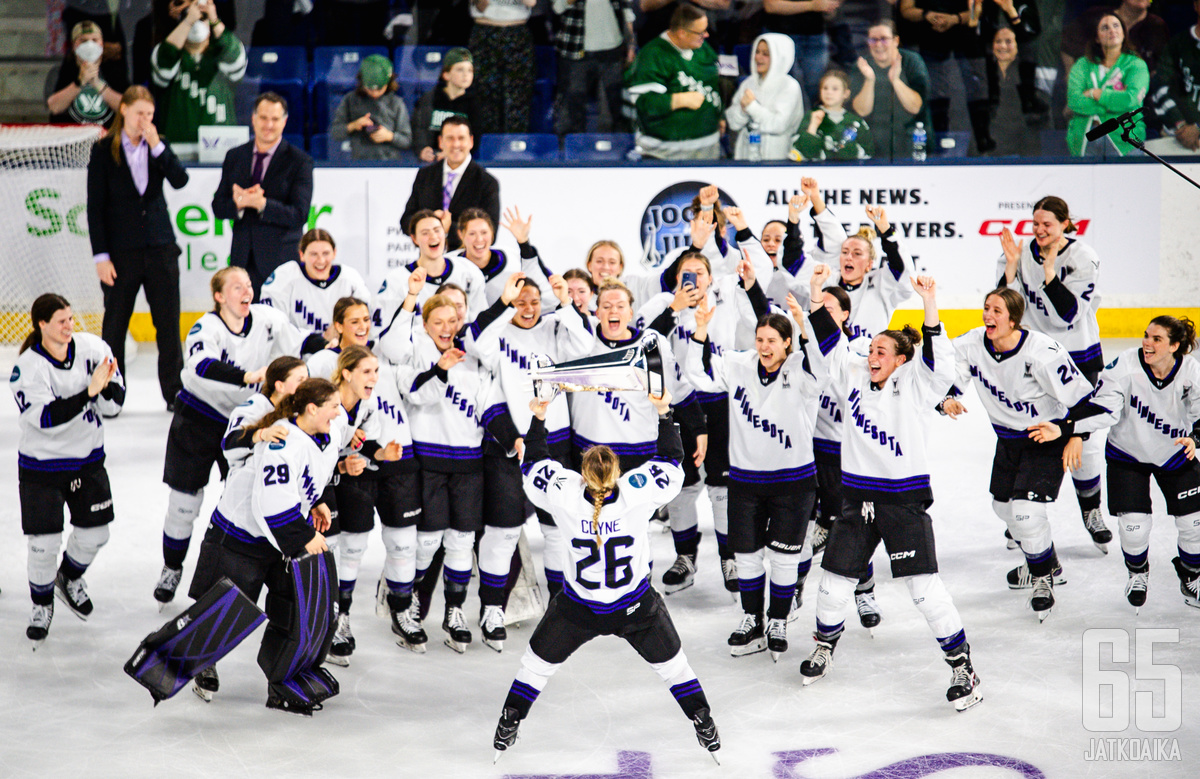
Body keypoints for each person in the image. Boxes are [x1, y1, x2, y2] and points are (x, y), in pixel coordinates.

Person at [493, 389, 720, 761]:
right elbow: (672, 461)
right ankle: (703, 721)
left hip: (578, 609)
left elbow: (533, 463)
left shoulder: (566, 493)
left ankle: (509, 722)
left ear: (583, 474)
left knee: (535, 667)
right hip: (634, 608)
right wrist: (664, 413)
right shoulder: (635, 493)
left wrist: (538, 417)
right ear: (617, 473)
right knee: (675, 668)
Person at [799, 274, 983, 714]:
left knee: (924, 590)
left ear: (901, 359)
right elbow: (830, 342)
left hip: (903, 500)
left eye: (881, 351)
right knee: (833, 586)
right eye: (870, 350)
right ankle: (825, 646)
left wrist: (930, 300)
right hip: (856, 500)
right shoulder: (854, 375)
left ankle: (963, 667)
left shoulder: (916, 385)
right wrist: (814, 295)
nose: (871, 355)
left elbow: (939, 363)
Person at [682, 275, 833, 661]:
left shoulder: (802, 370)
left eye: (772, 340)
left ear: (787, 343)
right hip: (746, 483)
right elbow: (698, 374)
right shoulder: (739, 364)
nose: (764, 347)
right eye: (760, 339)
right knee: (746, 557)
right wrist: (700, 331)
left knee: (784, 558)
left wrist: (806, 321)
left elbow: (824, 362)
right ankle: (752, 618)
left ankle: (778, 620)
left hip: (794, 484)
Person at [154, 267, 319, 609]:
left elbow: (300, 340)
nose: (247, 290)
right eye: (237, 286)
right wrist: (247, 375)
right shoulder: (206, 327)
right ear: (219, 296)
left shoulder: (266, 318)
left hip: (249, 418)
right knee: (184, 505)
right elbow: (200, 365)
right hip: (200, 417)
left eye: (249, 284)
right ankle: (172, 566)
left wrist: (335, 340)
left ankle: (231, 566)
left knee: (240, 496)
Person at [941, 288, 1102, 619]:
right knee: (1004, 509)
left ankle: (1042, 577)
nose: (988, 315)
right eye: (986, 308)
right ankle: (1047, 560)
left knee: (1027, 513)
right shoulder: (972, 344)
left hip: (1045, 438)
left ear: (1013, 320)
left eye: (997, 311)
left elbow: (1086, 402)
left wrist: (1076, 435)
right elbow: (947, 375)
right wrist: (948, 398)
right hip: (1009, 441)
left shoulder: (1043, 353)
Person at [188, 378, 343, 715]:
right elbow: (272, 504)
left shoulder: (315, 431)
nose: (339, 409)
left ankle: (282, 683)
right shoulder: (282, 438)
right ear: (311, 407)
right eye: (332, 404)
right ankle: (201, 660)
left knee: (291, 613)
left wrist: (315, 501)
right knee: (225, 612)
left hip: (273, 539)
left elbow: (306, 478)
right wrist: (303, 537)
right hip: (240, 535)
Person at [636, 223, 772, 595]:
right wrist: (674, 309)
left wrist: (750, 281)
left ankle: (729, 558)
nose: (692, 280)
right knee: (680, 486)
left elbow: (763, 316)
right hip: (677, 405)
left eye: (700, 274)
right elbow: (639, 345)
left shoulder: (727, 295)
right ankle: (686, 558)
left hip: (721, 400)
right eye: (685, 275)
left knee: (721, 485)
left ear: (713, 278)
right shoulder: (661, 304)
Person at [469, 274, 592, 642]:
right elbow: (478, 345)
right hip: (511, 449)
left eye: (534, 301)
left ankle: (559, 606)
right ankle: (492, 608)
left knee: (556, 531)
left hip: (555, 444)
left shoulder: (557, 326)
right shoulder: (500, 331)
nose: (528, 308)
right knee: (503, 532)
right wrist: (505, 305)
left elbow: (585, 345)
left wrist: (565, 302)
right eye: (520, 301)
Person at [997, 196, 1112, 551]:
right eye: (1036, 223)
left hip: (1078, 360)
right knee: (1030, 436)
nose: (1040, 230)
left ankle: (1091, 511)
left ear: (1065, 223)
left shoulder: (1083, 257)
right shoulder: (1020, 252)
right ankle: (1023, 516)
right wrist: (1013, 268)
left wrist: (1048, 274)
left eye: (1048, 223)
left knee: (1085, 446)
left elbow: (1068, 316)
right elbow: (1005, 307)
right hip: (1035, 362)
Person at [11, 294, 124, 644]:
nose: (69, 327)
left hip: (87, 461)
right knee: (43, 545)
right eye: (61, 321)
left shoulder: (91, 347)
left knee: (96, 534)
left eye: (71, 319)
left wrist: (104, 391)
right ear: (41, 325)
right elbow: (46, 419)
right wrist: (89, 392)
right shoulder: (27, 367)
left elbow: (116, 402)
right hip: (42, 468)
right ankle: (41, 604)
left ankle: (69, 577)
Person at [1073, 315, 1200, 610]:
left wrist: (1196, 438)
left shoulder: (1191, 372)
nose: (1147, 343)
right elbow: (1103, 408)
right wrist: (1074, 430)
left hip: (1175, 452)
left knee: (1195, 523)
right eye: (1146, 336)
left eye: (1157, 339)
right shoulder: (1124, 366)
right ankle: (1137, 573)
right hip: (1127, 454)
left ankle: (1191, 575)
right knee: (1134, 527)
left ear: (1175, 346)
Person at [87, 86, 189, 410]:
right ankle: (112, 393)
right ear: (124, 111)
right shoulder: (104, 151)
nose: (145, 119)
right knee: (114, 327)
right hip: (121, 254)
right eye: (139, 113)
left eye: (149, 114)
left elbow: (180, 179)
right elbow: (95, 208)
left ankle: (174, 392)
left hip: (160, 248)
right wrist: (101, 257)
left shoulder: (158, 147)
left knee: (169, 326)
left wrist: (158, 147)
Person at [324, 346, 404, 665]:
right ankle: (322, 622)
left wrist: (381, 455)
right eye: (367, 372)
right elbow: (311, 455)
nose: (374, 378)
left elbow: (367, 446)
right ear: (346, 373)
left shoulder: (367, 407)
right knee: (324, 550)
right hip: (317, 484)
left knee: (355, 544)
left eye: (376, 372)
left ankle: (340, 617)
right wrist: (342, 467)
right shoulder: (326, 406)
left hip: (342, 476)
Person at [212, 93, 315, 297]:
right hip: (242, 261)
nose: (268, 124)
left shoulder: (300, 161)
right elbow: (218, 206)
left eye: (275, 119)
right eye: (263, 118)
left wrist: (263, 205)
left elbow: (299, 214)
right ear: (253, 119)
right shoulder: (235, 156)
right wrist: (239, 204)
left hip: (280, 262)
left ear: (284, 122)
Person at [150, 0, 247, 160]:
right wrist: (187, 21)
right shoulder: (165, 52)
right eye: (190, 17)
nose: (196, 22)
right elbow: (163, 65)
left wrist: (214, 19)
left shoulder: (222, 53)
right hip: (177, 152)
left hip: (222, 150)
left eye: (202, 17)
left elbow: (234, 56)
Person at [625, 3, 722, 160]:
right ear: (682, 33)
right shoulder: (653, 55)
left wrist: (720, 115)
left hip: (707, 148)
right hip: (664, 153)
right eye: (700, 32)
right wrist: (677, 100)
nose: (706, 35)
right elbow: (642, 102)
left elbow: (714, 85)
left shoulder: (703, 49)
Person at [374, 210, 489, 337]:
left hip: (463, 352)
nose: (433, 237)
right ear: (414, 238)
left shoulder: (468, 272)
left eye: (437, 230)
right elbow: (382, 330)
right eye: (425, 233)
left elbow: (481, 322)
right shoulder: (396, 280)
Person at [898, 0, 991, 152]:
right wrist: (928, 15)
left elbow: (978, 10)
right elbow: (906, 10)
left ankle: (982, 139)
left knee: (975, 90)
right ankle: (938, 142)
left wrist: (955, 19)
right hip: (929, 42)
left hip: (966, 41)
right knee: (935, 93)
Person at [400, 117, 501, 254]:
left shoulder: (486, 182)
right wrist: (429, 222)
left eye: (461, 138)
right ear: (441, 142)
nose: (456, 144)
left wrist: (448, 229)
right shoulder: (425, 175)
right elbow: (406, 221)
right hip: (429, 264)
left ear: (471, 141)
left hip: (468, 263)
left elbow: (491, 232)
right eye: (450, 138)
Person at [260, 229, 373, 343]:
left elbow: (367, 322)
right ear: (302, 255)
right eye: (314, 254)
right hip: (297, 357)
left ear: (334, 253)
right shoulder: (285, 278)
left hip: (341, 354)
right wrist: (317, 341)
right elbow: (273, 327)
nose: (321, 260)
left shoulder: (350, 279)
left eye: (326, 253)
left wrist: (343, 331)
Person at [1065, 12, 1149, 157]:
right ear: (1097, 38)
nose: (1111, 30)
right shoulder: (1082, 64)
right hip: (1085, 139)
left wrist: (1095, 94)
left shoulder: (1136, 65)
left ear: (1123, 33)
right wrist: (1115, 106)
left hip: (1124, 140)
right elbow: (1074, 101)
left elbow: (1130, 99)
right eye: (1105, 28)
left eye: (1116, 26)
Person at [849, 19, 932, 160]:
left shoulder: (912, 61)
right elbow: (862, 110)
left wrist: (896, 80)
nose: (878, 45)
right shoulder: (862, 66)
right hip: (872, 143)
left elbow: (915, 107)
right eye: (873, 40)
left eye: (884, 39)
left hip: (912, 142)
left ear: (896, 40)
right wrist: (869, 80)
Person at [552, 0, 637, 135]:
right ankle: (572, 149)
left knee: (614, 107)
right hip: (575, 49)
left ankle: (613, 147)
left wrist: (631, 44)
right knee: (572, 106)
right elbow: (557, 7)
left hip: (613, 49)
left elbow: (627, 10)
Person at [725, 33, 806, 161]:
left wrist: (751, 106)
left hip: (777, 158)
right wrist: (742, 110)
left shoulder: (789, 86)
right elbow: (733, 122)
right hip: (745, 156)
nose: (758, 57)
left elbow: (778, 125)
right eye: (757, 52)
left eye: (766, 54)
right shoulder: (748, 83)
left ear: (779, 56)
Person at [329, 54, 414, 161]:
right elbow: (335, 133)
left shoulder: (396, 103)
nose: (374, 93)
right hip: (358, 162)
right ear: (362, 83)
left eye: (379, 89)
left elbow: (407, 140)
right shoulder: (350, 100)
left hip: (389, 165)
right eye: (369, 88)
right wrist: (353, 125)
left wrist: (390, 136)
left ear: (389, 82)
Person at [469, 0, 535, 134]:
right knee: (485, 93)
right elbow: (480, 5)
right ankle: (488, 146)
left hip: (517, 32)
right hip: (485, 31)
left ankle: (514, 146)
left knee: (518, 96)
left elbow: (531, 2)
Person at [47, 21, 127, 126]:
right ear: (74, 45)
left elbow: (127, 108)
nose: (90, 45)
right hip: (72, 137)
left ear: (101, 43)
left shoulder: (113, 69)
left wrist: (98, 84)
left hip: (107, 137)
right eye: (83, 41)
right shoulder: (64, 69)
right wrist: (79, 82)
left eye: (94, 40)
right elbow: (54, 107)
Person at [983, 25, 1045, 157]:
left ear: (1017, 46)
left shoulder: (1027, 74)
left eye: (1008, 41)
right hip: (992, 148)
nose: (1003, 46)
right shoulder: (984, 73)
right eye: (998, 41)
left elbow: (1038, 112)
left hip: (1023, 146)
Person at [1148, 0, 1200, 155]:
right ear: (1196, 5)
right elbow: (1161, 88)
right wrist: (1180, 125)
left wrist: (1197, 127)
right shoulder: (1177, 44)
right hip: (1178, 137)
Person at [412, 48, 480, 163]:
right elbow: (419, 128)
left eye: (470, 70)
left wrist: (452, 153)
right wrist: (422, 149)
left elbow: (475, 138)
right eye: (460, 70)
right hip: (430, 161)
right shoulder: (430, 98)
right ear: (446, 74)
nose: (466, 75)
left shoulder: (475, 103)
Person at [762, 0, 838, 101]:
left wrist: (830, 6)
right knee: (781, 88)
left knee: (815, 88)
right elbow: (771, 5)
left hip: (816, 34)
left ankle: (812, 115)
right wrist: (813, 5)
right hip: (781, 35)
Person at [792, 68, 874, 160]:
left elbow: (868, 152)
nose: (829, 92)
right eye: (825, 88)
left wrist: (847, 150)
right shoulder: (812, 116)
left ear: (846, 93)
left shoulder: (856, 122)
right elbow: (802, 151)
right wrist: (813, 126)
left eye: (835, 89)